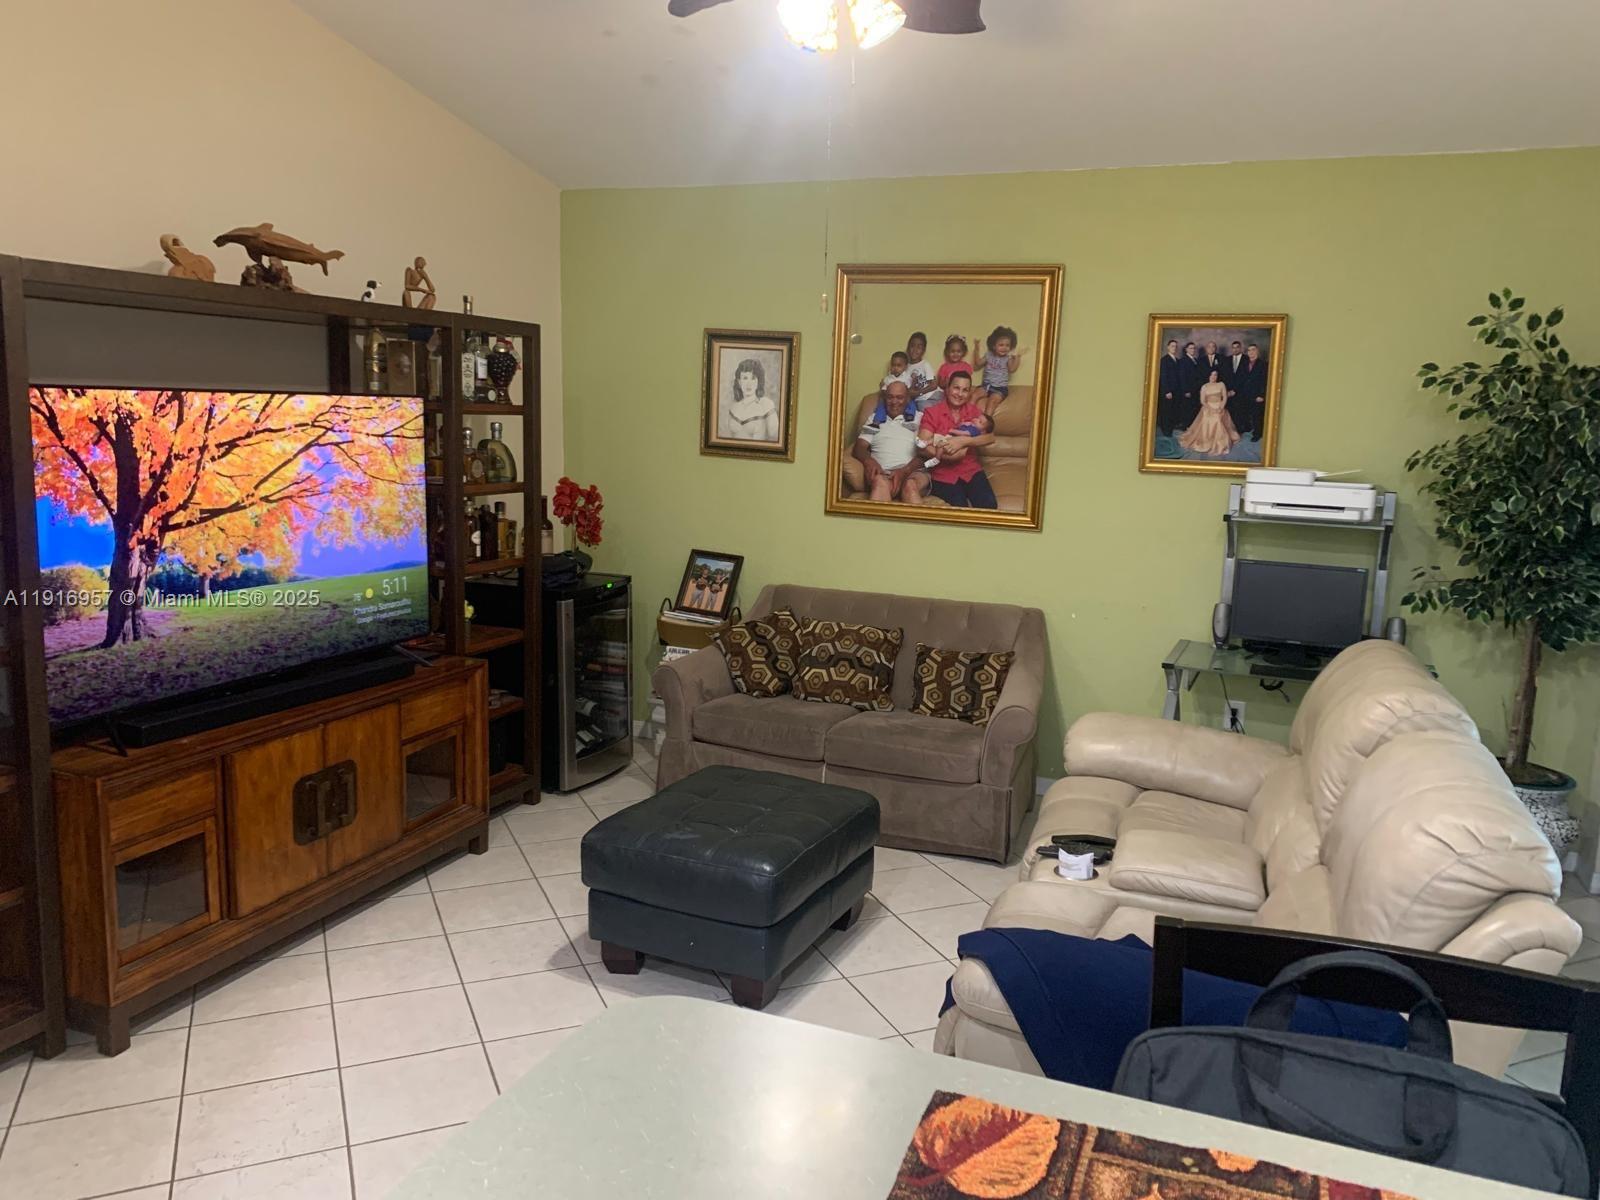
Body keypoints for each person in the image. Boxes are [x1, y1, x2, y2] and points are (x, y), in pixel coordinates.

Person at [920, 371, 998, 509]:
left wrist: (963, 441)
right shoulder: (932, 412)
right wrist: (949, 457)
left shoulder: (974, 412)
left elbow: (990, 437)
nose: (960, 394)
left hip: (971, 470)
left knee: (989, 506)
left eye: (965, 390)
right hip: (942, 474)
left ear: (969, 393)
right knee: (959, 509)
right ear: (947, 388)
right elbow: (922, 446)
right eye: (956, 388)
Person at [852, 381, 929, 505]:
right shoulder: (874, 419)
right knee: (879, 483)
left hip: (913, 472)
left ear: (908, 399)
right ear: (884, 398)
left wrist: (904, 471)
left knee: (910, 486)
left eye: (899, 397)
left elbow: (926, 453)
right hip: (883, 473)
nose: (894, 402)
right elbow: (859, 447)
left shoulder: (920, 418)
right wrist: (869, 461)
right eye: (890, 397)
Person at [1178, 369, 1241, 457]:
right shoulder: (1204, 386)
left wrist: (1221, 407)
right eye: (1212, 375)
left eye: (1215, 375)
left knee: (1218, 419)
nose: (1213, 377)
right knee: (1210, 418)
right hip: (1208, 407)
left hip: (1219, 406)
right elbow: (1203, 401)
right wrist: (1211, 409)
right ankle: (1208, 441)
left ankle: (1220, 442)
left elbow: (1224, 397)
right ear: (1208, 376)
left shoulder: (1221, 384)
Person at [719, 357, 779, 442]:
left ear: (758, 381)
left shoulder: (767, 405)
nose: (749, 384)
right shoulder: (733, 407)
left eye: (753, 378)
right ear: (739, 382)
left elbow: (776, 439)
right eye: (745, 378)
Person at [971, 325, 1027, 414]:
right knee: (974, 395)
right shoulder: (989, 355)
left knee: (992, 401)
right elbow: (978, 363)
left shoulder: (1007, 358)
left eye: (1007, 345)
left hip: (1000, 389)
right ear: (994, 346)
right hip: (986, 385)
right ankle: (966, 417)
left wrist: (1018, 356)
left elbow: (1012, 369)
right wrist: (976, 348)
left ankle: (986, 421)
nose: (1004, 348)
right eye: (1001, 345)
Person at [1235, 342, 1269, 440]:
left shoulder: (1263, 364)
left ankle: (1257, 434)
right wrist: (1236, 391)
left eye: (1253, 350)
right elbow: (1239, 378)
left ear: (1257, 351)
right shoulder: (1244, 363)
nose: (1251, 352)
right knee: (1244, 412)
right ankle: (1247, 427)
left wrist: (1262, 395)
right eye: (1249, 350)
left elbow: (1265, 381)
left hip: (1256, 394)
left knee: (1256, 415)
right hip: (1244, 393)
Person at [871, 351, 916, 423]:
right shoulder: (888, 379)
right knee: (881, 405)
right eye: (893, 365)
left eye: (899, 365)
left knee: (912, 403)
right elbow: (884, 392)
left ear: (905, 366)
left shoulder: (907, 377)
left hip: (905, 400)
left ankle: (909, 416)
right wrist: (882, 388)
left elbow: (910, 391)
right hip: (889, 399)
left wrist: (913, 381)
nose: (895, 368)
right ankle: (878, 420)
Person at [1156, 338, 1183, 435]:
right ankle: (1166, 431)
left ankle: (1170, 429)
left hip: (1176, 391)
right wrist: (1167, 391)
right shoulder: (1164, 360)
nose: (1174, 348)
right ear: (1168, 347)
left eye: (1175, 347)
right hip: (1168, 391)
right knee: (1166, 411)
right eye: (1172, 346)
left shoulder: (1178, 361)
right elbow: (1163, 377)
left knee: (1173, 411)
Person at [905, 331, 940, 403]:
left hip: (932, 395)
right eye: (912, 346)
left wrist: (918, 393)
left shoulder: (925, 364)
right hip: (921, 400)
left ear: (923, 350)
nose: (915, 349)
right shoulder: (906, 367)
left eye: (919, 347)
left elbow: (934, 385)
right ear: (908, 348)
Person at [1178, 341, 1205, 430]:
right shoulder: (1183, 361)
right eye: (1190, 348)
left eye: (1194, 348)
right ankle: (1186, 426)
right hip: (1188, 390)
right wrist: (1186, 391)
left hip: (1195, 390)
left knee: (1194, 408)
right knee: (1187, 409)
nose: (1193, 350)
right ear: (1186, 350)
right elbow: (1182, 377)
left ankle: (1192, 426)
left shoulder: (1196, 360)